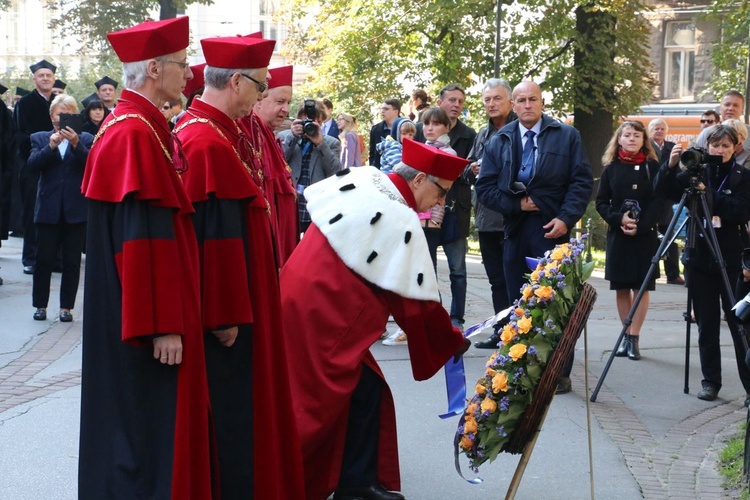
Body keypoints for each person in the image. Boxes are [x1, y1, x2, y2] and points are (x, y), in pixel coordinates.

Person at [281, 137, 471, 500]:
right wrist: (451, 339)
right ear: (418, 181)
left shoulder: (366, 180)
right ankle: (282, 480)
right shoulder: (399, 217)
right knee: (310, 408)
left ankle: (357, 483)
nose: (442, 201)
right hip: (328, 319)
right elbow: (414, 302)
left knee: (365, 390)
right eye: (441, 190)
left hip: (302, 300)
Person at [78, 17, 215, 499]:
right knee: (142, 430)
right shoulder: (135, 132)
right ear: (154, 69)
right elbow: (141, 241)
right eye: (180, 66)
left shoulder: (136, 125)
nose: (189, 76)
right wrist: (163, 325)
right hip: (142, 321)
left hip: (131, 311)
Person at [175, 35, 304, 498]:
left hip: (248, 298)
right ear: (236, 81)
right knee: (231, 411)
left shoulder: (226, 132)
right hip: (230, 314)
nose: (261, 97)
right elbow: (217, 238)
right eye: (261, 87)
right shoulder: (207, 141)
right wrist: (226, 313)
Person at [475, 81, 593, 392]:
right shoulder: (499, 140)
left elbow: (580, 182)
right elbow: (484, 188)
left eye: (533, 99)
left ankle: (558, 373)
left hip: (554, 229)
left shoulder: (566, 135)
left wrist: (566, 219)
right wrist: (516, 204)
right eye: (521, 100)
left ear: (542, 102)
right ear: (513, 105)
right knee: (520, 304)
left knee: (555, 303)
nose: (527, 105)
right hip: (515, 230)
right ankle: (521, 370)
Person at [658, 124, 750, 402]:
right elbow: (664, 191)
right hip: (700, 257)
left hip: (732, 258)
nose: (719, 150)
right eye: (715, 145)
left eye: (725, 146)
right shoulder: (696, 169)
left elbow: (742, 210)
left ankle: (749, 387)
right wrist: (671, 165)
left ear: (736, 148)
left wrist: (710, 195)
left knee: (740, 325)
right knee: (706, 326)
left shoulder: (743, 176)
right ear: (706, 146)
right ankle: (710, 381)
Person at [596, 121, 662, 360]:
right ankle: (625, 335)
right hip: (619, 235)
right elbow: (601, 202)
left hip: (644, 236)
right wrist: (618, 219)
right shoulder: (611, 169)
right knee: (622, 286)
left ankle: (634, 338)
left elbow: (659, 202)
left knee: (640, 286)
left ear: (644, 140)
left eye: (637, 135)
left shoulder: (653, 167)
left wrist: (642, 224)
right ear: (619, 140)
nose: (632, 139)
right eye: (627, 135)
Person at [415, 83, 477, 331]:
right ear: (441, 102)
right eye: (452, 100)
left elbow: (469, 173)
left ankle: (456, 318)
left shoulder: (469, 135)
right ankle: (433, 315)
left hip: (455, 209)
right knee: (427, 267)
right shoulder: (424, 133)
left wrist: (463, 171)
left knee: (457, 269)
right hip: (426, 212)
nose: (456, 105)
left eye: (461, 101)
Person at [27, 94, 93, 322]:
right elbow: (32, 166)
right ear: (51, 116)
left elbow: (92, 165)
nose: (61, 119)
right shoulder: (39, 138)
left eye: (67, 114)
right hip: (48, 208)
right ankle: (40, 306)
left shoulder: (85, 139)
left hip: (75, 209)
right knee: (43, 260)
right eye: (58, 114)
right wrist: (51, 147)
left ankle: (66, 307)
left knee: (72, 262)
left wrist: (75, 144)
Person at [468, 78, 517, 349]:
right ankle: (501, 331)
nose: (491, 104)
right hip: (487, 218)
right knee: (496, 281)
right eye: (487, 99)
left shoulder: (519, 131)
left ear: (510, 102)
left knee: (515, 280)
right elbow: (465, 169)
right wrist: (473, 169)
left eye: (497, 98)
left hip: (512, 218)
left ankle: (517, 333)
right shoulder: (482, 134)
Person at [248, 64, 299, 266]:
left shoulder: (268, 135)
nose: (285, 109)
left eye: (288, 103)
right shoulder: (253, 135)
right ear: (259, 100)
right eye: (280, 101)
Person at [14, 59, 56, 275]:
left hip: (59, 165)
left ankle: (54, 258)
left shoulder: (60, 101)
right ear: (35, 79)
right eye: (41, 75)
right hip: (33, 164)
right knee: (32, 211)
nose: (45, 79)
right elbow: (19, 135)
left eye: (49, 75)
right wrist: (42, 145)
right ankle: (30, 257)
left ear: (54, 79)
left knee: (57, 211)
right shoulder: (25, 103)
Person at [278, 100, 342, 233]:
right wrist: (293, 136)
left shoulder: (331, 143)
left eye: (316, 123)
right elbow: (277, 162)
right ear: (298, 121)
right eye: (305, 122)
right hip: (290, 204)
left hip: (315, 206)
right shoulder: (285, 137)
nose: (310, 126)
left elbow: (336, 172)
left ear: (321, 123)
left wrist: (320, 144)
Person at [648, 118, 684, 286]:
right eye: (656, 128)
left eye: (662, 128)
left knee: (669, 236)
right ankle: (649, 272)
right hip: (650, 195)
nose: (659, 131)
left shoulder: (672, 148)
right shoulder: (646, 147)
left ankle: (672, 273)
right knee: (650, 236)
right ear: (650, 131)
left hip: (667, 199)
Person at [368, 98, 401, 168]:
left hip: (402, 171)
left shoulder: (406, 127)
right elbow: (372, 154)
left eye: (386, 109)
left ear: (395, 111)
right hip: (380, 171)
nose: (382, 111)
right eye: (382, 109)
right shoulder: (376, 129)